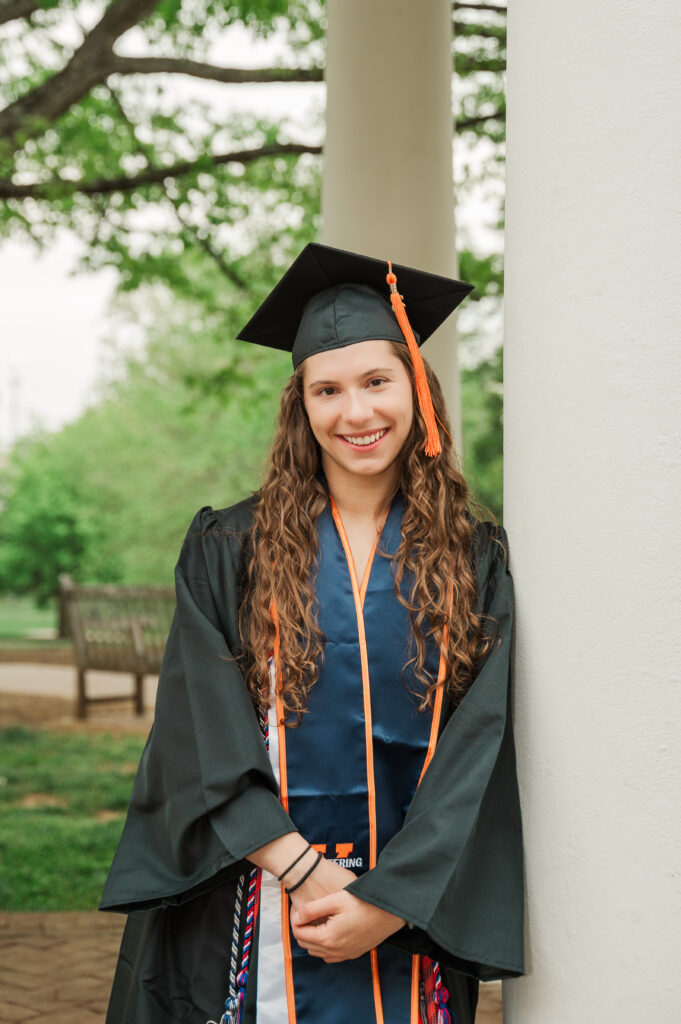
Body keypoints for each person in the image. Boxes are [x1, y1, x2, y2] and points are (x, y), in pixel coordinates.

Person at [100, 243, 524, 1024]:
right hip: (249, 897)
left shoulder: (473, 560)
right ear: (300, 405)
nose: (355, 413)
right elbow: (201, 727)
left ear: (416, 390)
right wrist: (299, 867)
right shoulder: (229, 548)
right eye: (326, 389)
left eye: (376, 381)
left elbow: (480, 744)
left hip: (406, 912)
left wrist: (387, 901)